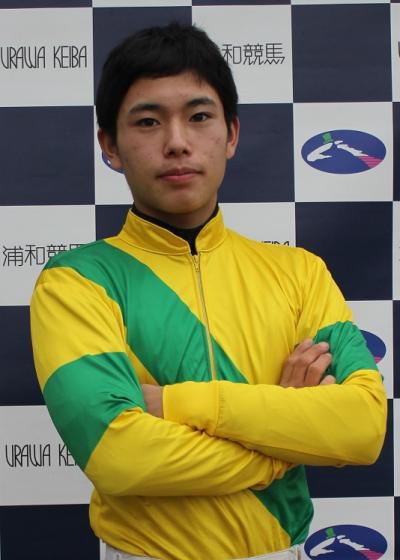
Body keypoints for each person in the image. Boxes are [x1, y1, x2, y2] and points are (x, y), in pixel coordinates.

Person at [30, 23, 387, 560]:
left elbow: (362, 428)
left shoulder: (300, 273)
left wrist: (179, 403)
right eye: (148, 121)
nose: (177, 142)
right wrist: (286, 440)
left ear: (231, 134)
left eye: (199, 117)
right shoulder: (75, 282)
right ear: (110, 146)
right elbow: (118, 456)